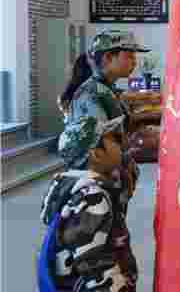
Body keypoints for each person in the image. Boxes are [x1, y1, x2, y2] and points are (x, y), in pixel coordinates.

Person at [40, 115, 142, 292]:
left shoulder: (72, 187)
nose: (119, 144)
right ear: (96, 154)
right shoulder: (93, 197)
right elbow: (91, 256)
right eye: (112, 140)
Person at [60, 30, 151, 204]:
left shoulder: (107, 90)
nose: (134, 62)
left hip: (111, 178)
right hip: (98, 182)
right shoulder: (91, 94)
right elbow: (98, 143)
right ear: (108, 57)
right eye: (129, 56)